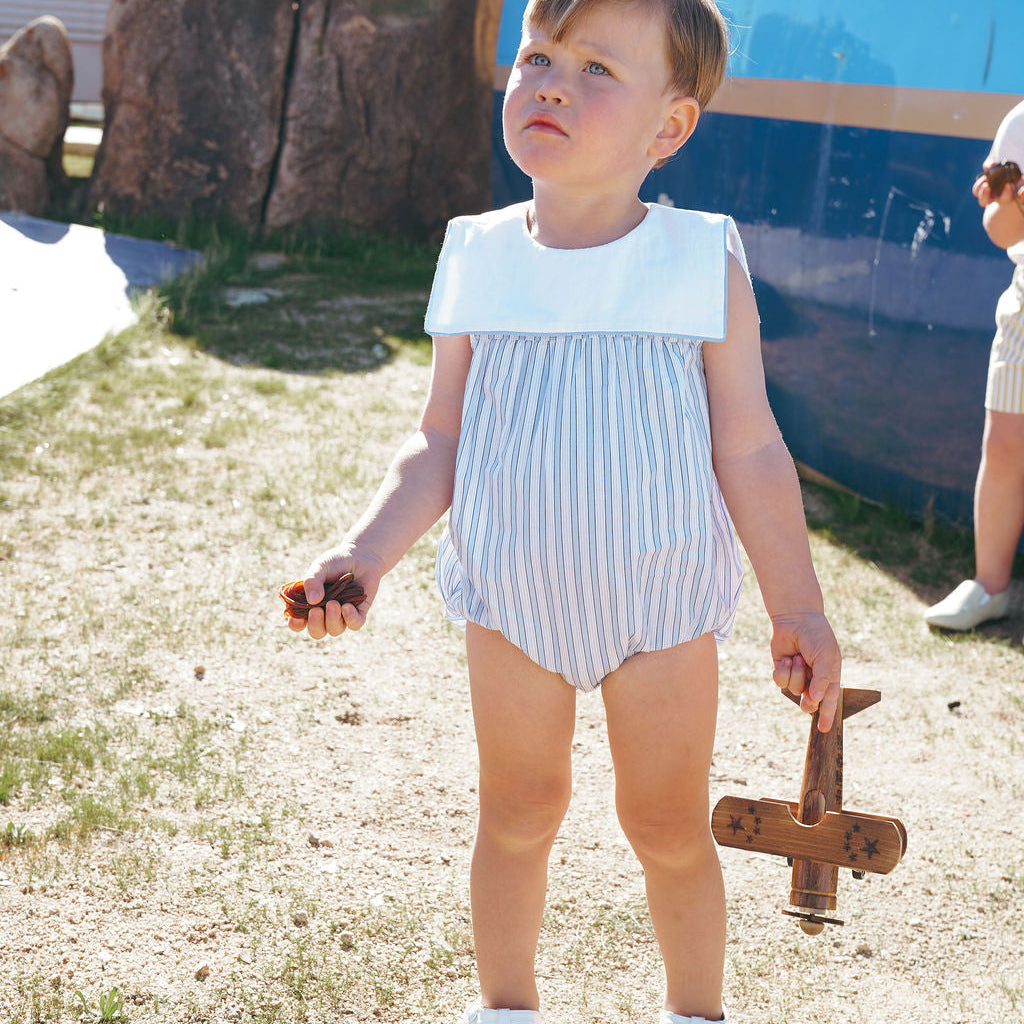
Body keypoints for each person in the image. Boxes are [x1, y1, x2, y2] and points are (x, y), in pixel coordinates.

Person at [286, 0, 841, 1020]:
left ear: (667, 128)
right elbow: (439, 440)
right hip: (513, 598)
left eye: (594, 68)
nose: (550, 80)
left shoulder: (700, 259)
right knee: (516, 813)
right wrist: (364, 552)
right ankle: (505, 1006)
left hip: (659, 608)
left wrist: (795, 606)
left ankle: (693, 1010)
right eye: (537, 54)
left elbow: (750, 446)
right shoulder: (477, 251)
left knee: (667, 826)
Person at [925, 100, 1024, 631]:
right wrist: (1011, 202)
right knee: (1004, 442)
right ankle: (991, 588)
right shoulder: (1020, 122)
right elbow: (1000, 231)